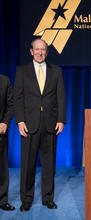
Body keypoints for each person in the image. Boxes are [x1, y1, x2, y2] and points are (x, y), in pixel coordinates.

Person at [14, 38, 66, 212]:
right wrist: (20, 121)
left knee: (49, 163)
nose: (40, 52)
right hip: (29, 125)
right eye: (37, 49)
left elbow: (61, 97)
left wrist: (61, 119)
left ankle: (48, 198)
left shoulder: (56, 71)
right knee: (27, 164)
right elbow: (18, 98)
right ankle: (26, 199)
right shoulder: (22, 71)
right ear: (31, 51)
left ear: (47, 52)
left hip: (50, 124)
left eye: (43, 49)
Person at [0, 74, 14, 211]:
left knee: (2, 168)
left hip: (0, 131)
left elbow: (11, 104)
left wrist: (5, 122)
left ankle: (2, 200)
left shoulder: (5, 81)